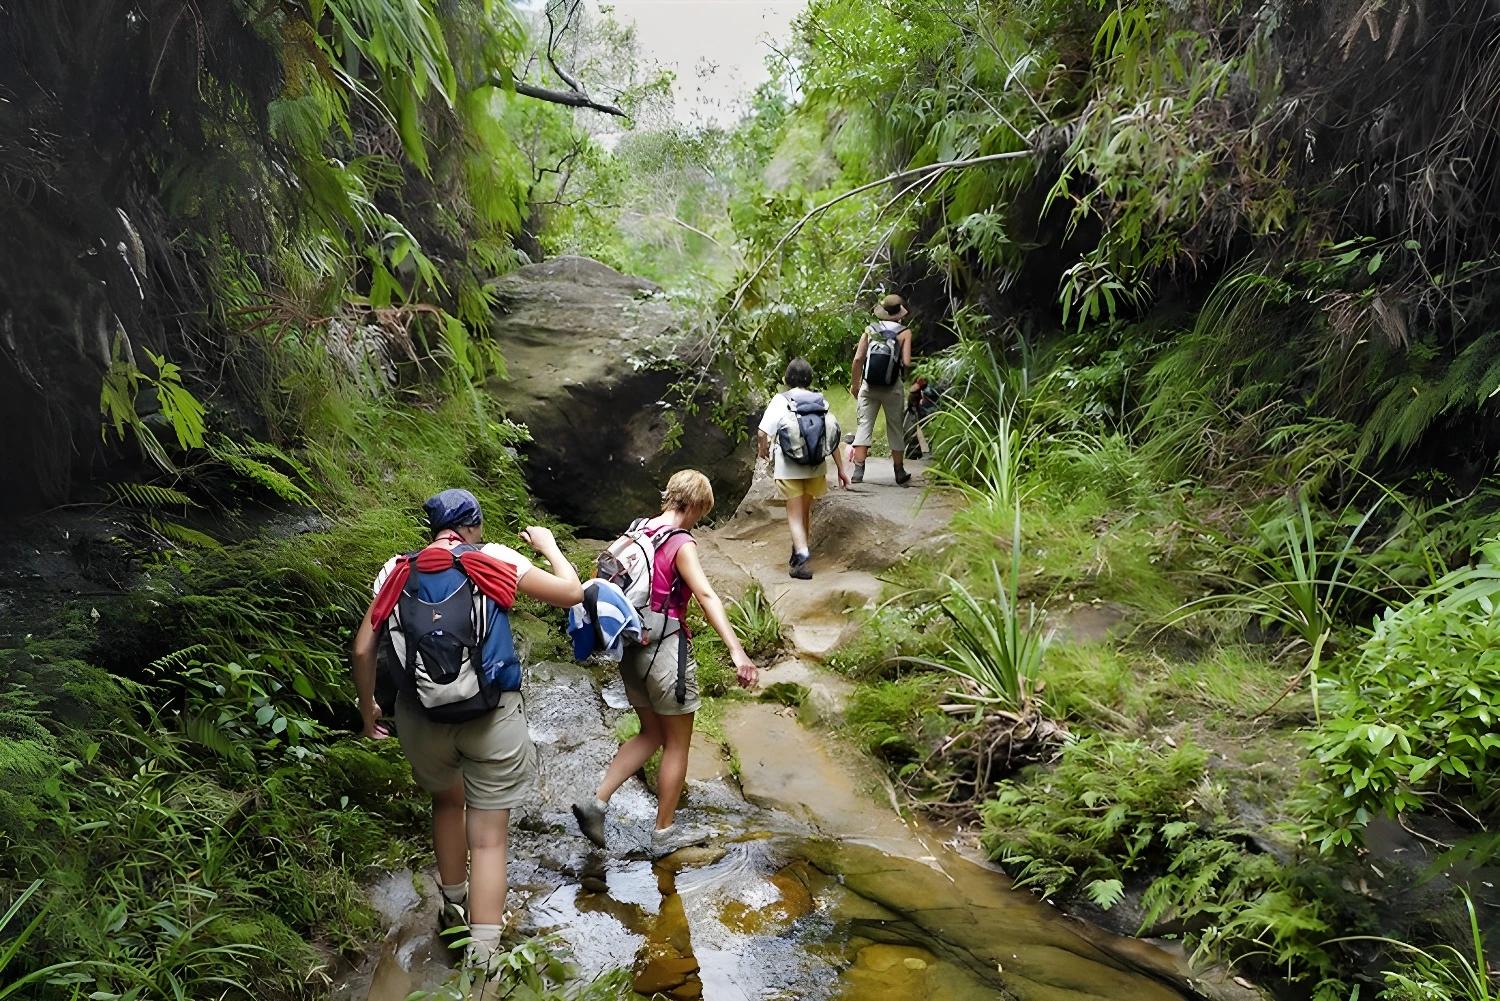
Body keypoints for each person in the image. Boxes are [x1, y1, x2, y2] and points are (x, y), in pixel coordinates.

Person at [351, 488, 583, 975]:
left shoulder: (396, 569)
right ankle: (483, 956)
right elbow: (573, 593)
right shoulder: (492, 559)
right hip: (490, 717)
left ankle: (451, 907)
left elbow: (362, 650)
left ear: (432, 528)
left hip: (420, 719)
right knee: (490, 840)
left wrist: (370, 709)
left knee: (446, 802)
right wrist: (548, 546)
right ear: (474, 525)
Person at [571, 470, 759, 855]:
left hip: (630, 648)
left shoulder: (636, 531)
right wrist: (737, 651)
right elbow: (706, 596)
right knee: (677, 745)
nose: (697, 522)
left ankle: (597, 803)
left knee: (650, 733)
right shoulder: (679, 542)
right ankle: (664, 833)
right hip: (665, 653)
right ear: (692, 505)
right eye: (699, 514)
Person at [755, 358, 851, 580]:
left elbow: (762, 433)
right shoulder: (820, 401)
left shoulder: (781, 400)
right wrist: (841, 470)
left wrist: (762, 451)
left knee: (794, 515)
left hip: (789, 468)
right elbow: (831, 438)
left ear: (787, 378)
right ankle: (798, 551)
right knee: (804, 513)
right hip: (815, 468)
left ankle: (801, 559)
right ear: (810, 378)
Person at [850, 293, 914, 486]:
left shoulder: (870, 330)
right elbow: (907, 362)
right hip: (892, 386)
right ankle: (899, 471)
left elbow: (858, 359)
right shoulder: (905, 332)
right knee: (895, 426)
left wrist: (855, 384)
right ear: (900, 313)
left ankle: (858, 471)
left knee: (864, 425)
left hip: (869, 385)